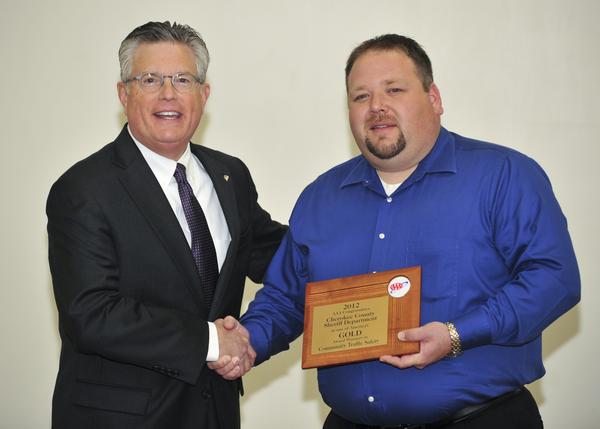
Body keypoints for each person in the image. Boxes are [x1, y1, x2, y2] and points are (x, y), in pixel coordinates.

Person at [212, 34, 580, 428]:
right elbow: (287, 298)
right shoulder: (320, 197)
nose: (376, 108)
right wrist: (246, 342)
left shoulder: (503, 175)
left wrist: (457, 335)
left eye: (394, 90)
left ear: (434, 98)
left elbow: (554, 279)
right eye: (360, 97)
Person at [46, 21, 286, 429]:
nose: (168, 93)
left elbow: (281, 257)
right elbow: (90, 313)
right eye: (150, 79)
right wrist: (213, 341)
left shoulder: (231, 175)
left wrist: (365, 250)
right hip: (120, 419)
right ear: (124, 93)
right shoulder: (84, 189)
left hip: (215, 412)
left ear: (204, 93)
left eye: (182, 79)